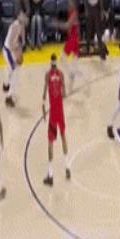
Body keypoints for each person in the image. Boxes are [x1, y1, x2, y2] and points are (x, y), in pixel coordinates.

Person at [42, 54, 71, 186]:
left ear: (50, 62)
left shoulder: (47, 75)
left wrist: (43, 109)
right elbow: (64, 94)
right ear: (56, 63)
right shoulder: (61, 74)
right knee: (63, 137)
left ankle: (50, 174)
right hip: (61, 111)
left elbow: (44, 95)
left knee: (50, 142)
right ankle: (67, 167)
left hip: (53, 112)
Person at [2, 10, 28, 107]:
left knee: (10, 69)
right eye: (22, 15)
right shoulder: (14, 26)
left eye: (24, 15)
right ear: (18, 16)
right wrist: (17, 54)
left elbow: (22, 38)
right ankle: (8, 97)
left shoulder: (22, 26)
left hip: (12, 51)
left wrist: (22, 46)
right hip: (8, 51)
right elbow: (10, 44)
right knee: (15, 72)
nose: (24, 16)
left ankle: (5, 84)